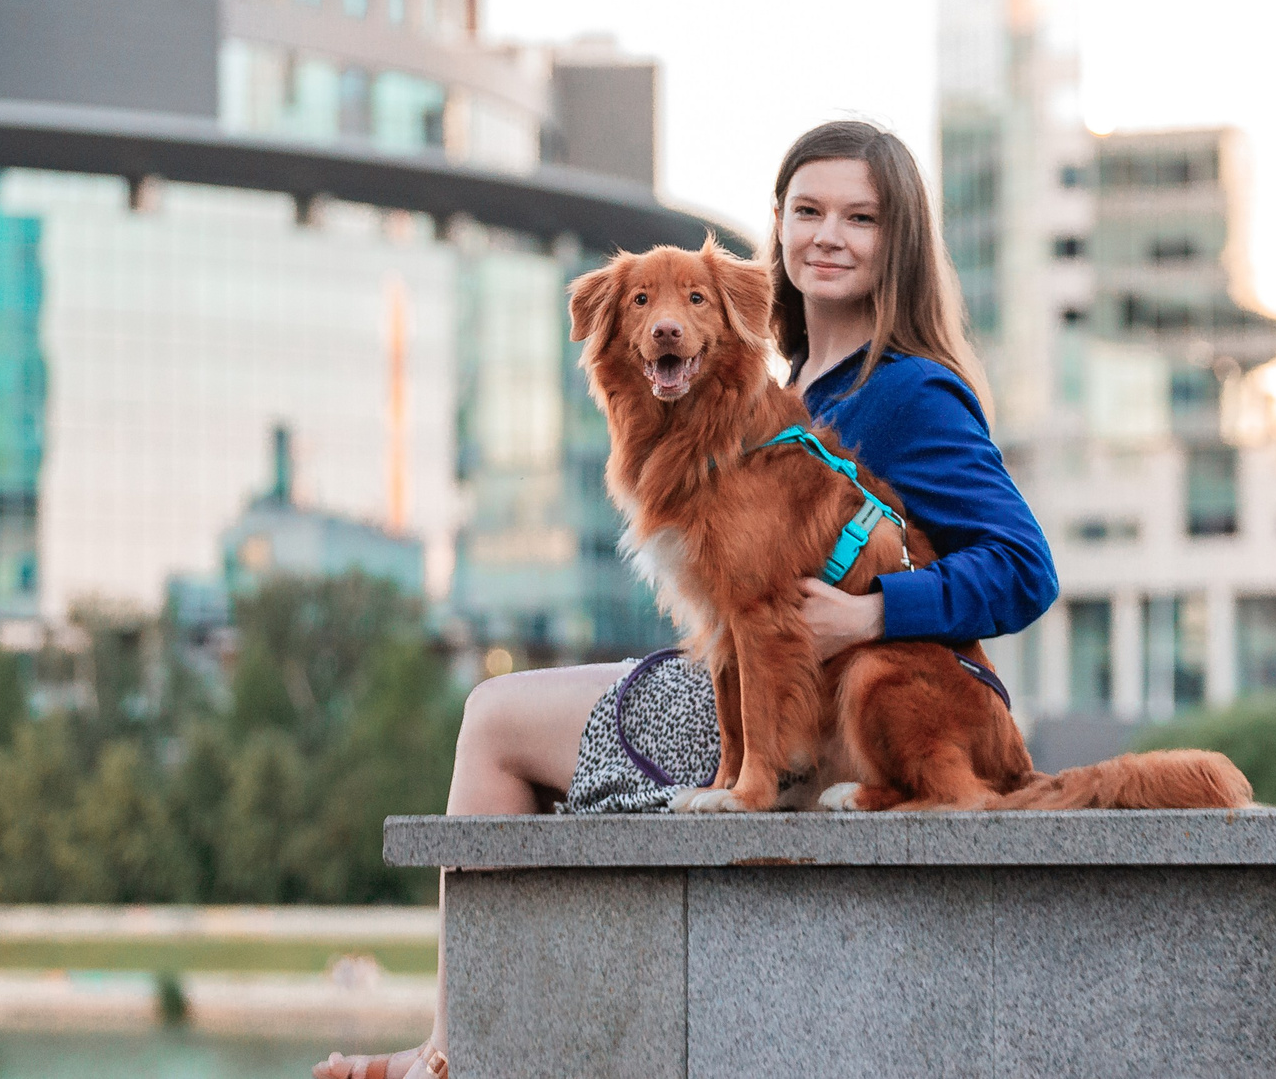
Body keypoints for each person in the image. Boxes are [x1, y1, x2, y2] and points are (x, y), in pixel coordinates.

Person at [316, 120, 1059, 1079]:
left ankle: (452, 1050)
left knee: (496, 719)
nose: (828, 235)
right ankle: (476, 1044)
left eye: (861, 217)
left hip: (823, 708)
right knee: (504, 718)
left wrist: (875, 613)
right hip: (760, 686)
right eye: (808, 210)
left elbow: (1025, 566)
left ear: (898, 241)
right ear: (779, 225)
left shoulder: (911, 391)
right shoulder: (786, 380)